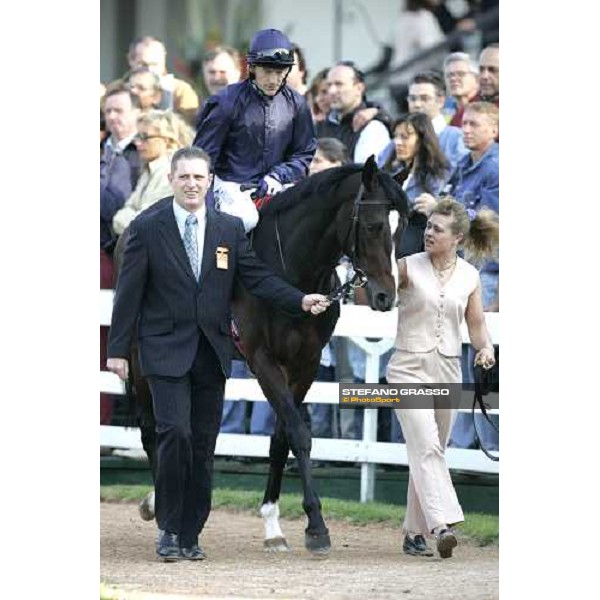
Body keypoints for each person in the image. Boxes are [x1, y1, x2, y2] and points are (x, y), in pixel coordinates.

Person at [106, 146, 331, 561]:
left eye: (199, 177)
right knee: (175, 434)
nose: (192, 184)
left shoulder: (228, 229)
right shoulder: (147, 226)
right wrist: (118, 349)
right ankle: (169, 529)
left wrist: (299, 300)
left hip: (210, 353)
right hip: (163, 350)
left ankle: (192, 534)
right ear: (172, 181)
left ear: (210, 182)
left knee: (202, 444)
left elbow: (258, 279)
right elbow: (128, 294)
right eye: (184, 177)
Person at [386, 197, 497, 559]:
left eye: (437, 228)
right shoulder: (406, 266)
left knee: (431, 451)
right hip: (407, 368)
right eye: (427, 226)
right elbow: (376, 291)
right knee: (427, 445)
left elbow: (477, 325)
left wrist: (486, 349)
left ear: (458, 239)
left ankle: (413, 532)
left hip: (448, 370)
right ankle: (441, 526)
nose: (428, 233)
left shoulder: (470, 276)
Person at [193, 28, 317, 233]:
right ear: (251, 68)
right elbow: (202, 157)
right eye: (267, 72)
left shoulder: (297, 104)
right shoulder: (226, 102)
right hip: (231, 185)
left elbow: (303, 153)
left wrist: (279, 175)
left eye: (280, 72)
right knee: (246, 219)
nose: (274, 79)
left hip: (279, 183)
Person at [100, 87, 141, 424]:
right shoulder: (103, 150)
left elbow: (118, 207)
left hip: (122, 255)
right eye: (108, 111)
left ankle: (124, 416)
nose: (112, 117)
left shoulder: (141, 154)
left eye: (119, 110)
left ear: (136, 113)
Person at [112, 110, 193, 236]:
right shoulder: (149, 170)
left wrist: (125, 217)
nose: (138, 143)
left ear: (167, 140)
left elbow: (145, 223)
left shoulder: (175, 172)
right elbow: (129, 210)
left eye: (145, 137)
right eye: (138, 137)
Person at [385, 113, 450, 258]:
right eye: (396, 136)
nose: (397, 142)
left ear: (422, 139)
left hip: (417, 249)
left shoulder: (438, 176)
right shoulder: (390, 172)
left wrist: (436, 208)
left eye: (405, 137)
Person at [317, 61, 391, 164]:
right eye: (329, 85)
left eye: (339, 84)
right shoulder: (319, 127)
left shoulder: (373, 127)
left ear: (359, 88)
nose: (332, 91)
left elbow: (365, 175)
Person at [444, 52, 480, 128]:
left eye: (460, 74)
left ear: (476, 79)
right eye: (449, 75)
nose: (453, 79)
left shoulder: (487, 109)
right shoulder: (445, 111)